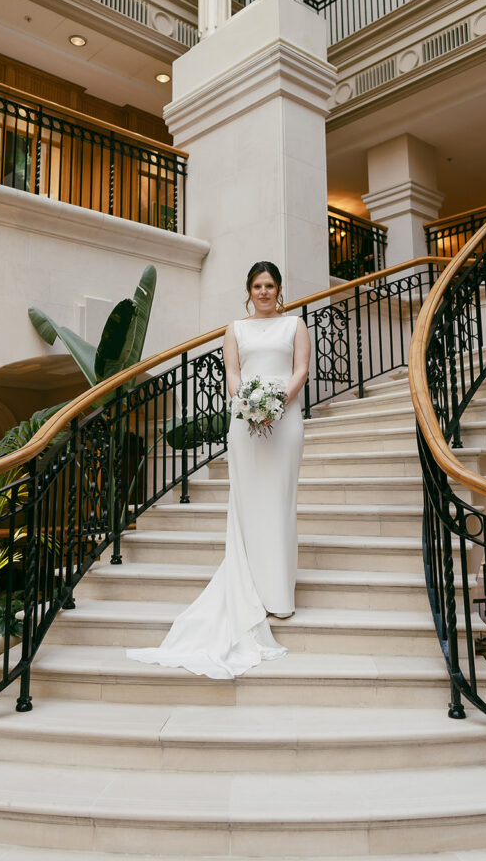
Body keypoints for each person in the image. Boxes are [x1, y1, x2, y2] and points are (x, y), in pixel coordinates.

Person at [127, 261, 310, 679]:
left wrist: (278, 403)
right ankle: (251, 590)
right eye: (258, 286)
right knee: (249, 505)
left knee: (280, 503)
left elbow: (300, 370)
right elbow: (233, 374)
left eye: (270, 285)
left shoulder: (295, 325)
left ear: (279, 289)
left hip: (287, 422)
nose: (264, 292)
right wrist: (249, 404)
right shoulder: (235, 328)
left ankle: (279, 594)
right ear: (249, 290)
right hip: (245, 423)